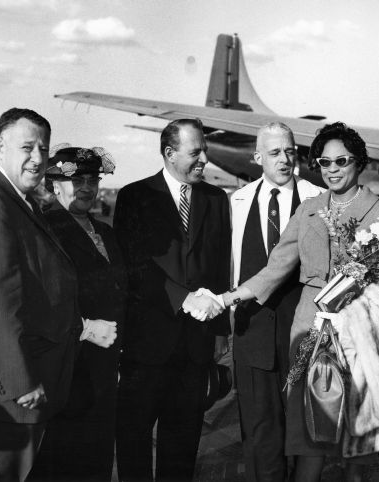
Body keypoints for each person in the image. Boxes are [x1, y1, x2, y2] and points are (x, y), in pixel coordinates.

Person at [207, 122, 379, 482]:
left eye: (342, 161)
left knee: (354, 449)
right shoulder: (309, 209)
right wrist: (227, 298)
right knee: (310, 439)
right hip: (309, 338)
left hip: (358, 337)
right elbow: (274, 269)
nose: (334, 169)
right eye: (325, 163)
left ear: (360, 162)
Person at [0, 109, 112, 481]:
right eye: (26, 147)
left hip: (11, 390)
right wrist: (20, 381)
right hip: (5, 396)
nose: (36, 158)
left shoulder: (13, 197)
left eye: (43, 149)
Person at [113, 118, 231, 482]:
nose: (204, 160)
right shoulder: (134, 197)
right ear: (169, 153)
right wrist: (183, 299)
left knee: (181, 447)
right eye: (195, 152)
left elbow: (218, 268)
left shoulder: (216, 199)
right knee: (133, 441)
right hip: (146, 345)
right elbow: (134, 267)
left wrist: (219, 332)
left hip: (194, 349)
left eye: (205, 151)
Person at [230, 122, 323, 482]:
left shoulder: (317, 198)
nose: (284, 160)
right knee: (259, 431)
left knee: (304, 428)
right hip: (252, 331)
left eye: (289, 151)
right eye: (274, 153)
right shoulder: (236, 202)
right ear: (257, 158)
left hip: (303, 332)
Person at [33, 145, 127, 482]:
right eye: (77, 181)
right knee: (64, 459)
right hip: (68, 366)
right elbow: (40, 303)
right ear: (54, 184)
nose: (86, 187)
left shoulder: (106, 233)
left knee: (97, 458)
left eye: (92, 179)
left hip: (104, 369)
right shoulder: (45, 229)